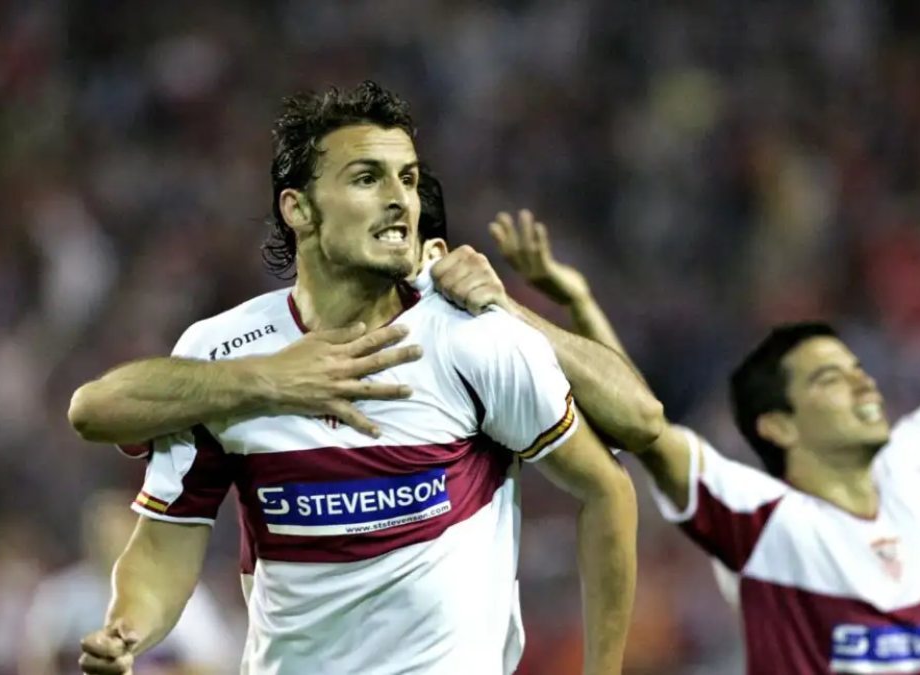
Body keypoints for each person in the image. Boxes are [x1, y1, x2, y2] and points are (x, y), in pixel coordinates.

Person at [465, 104, 920, 673]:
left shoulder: (913, 468)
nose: (864, 382)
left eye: (856, 367)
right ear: (780, 425)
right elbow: (643, 423)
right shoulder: (766, 521)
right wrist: (528, 313)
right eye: (831, 379)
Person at [71, 81, 646, 675]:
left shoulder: (474, 339)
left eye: (409, 179)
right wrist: (128, 631)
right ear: (298, 208)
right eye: (368, 178)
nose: (400, 199)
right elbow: (166, 540)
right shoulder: (222, 352)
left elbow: (610, 486)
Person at [19, 491, 237, 675]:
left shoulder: (176, 592)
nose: (106, 540)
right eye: (99, 532)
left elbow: (212, 663)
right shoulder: (62, 594)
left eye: (114, 531)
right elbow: (35, 660)